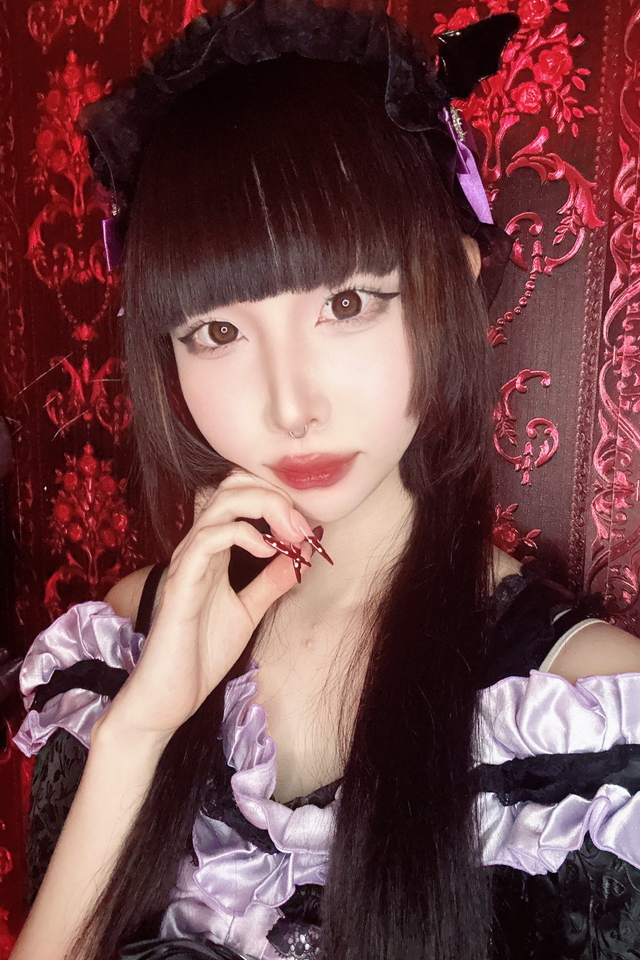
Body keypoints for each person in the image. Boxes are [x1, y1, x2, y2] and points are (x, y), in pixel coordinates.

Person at [10, 2, 640, 958]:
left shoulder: (582, 722)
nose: (289, 405)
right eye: (218, 331)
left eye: (347, 303)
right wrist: (141, 732)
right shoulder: (128, 641)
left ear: (455, 282)